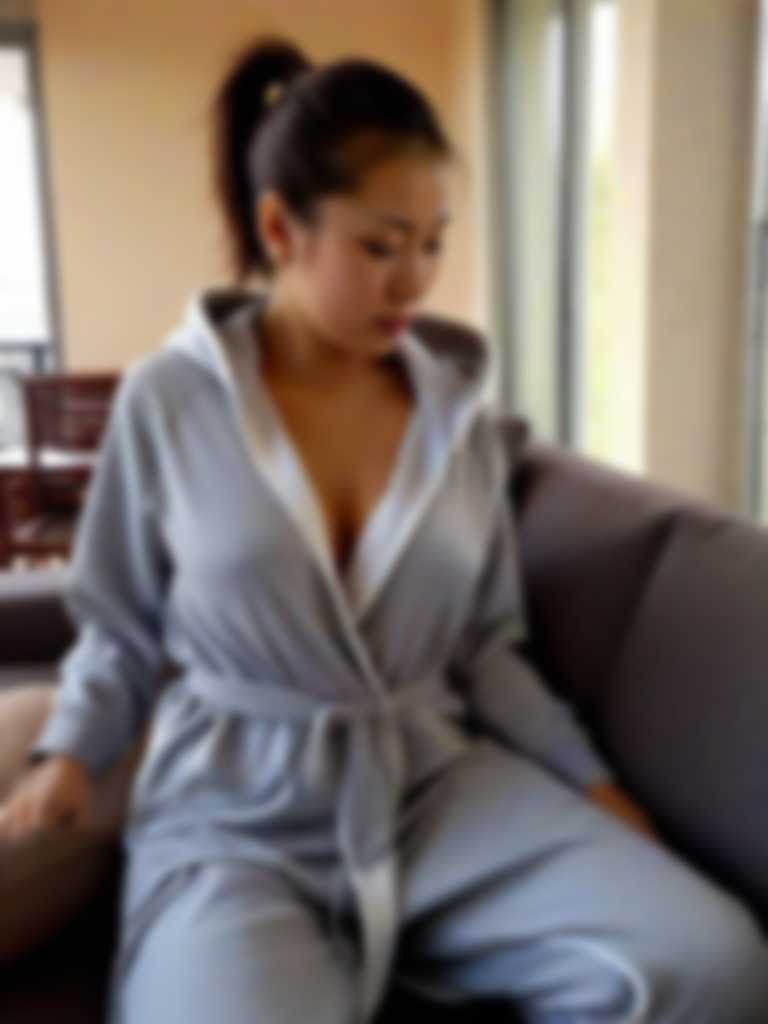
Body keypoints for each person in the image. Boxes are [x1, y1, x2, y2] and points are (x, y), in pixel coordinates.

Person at [0, 34, 766, 1024]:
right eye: (380, 245)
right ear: (281, 228)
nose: (415, 282)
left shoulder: (459, 421)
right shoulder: (169, 401)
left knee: (709, 962)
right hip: (232, 809)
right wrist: (69, 753)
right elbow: (118, 623)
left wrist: (596, 787)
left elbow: (487, 650)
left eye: (433, 242)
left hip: (429, 784)